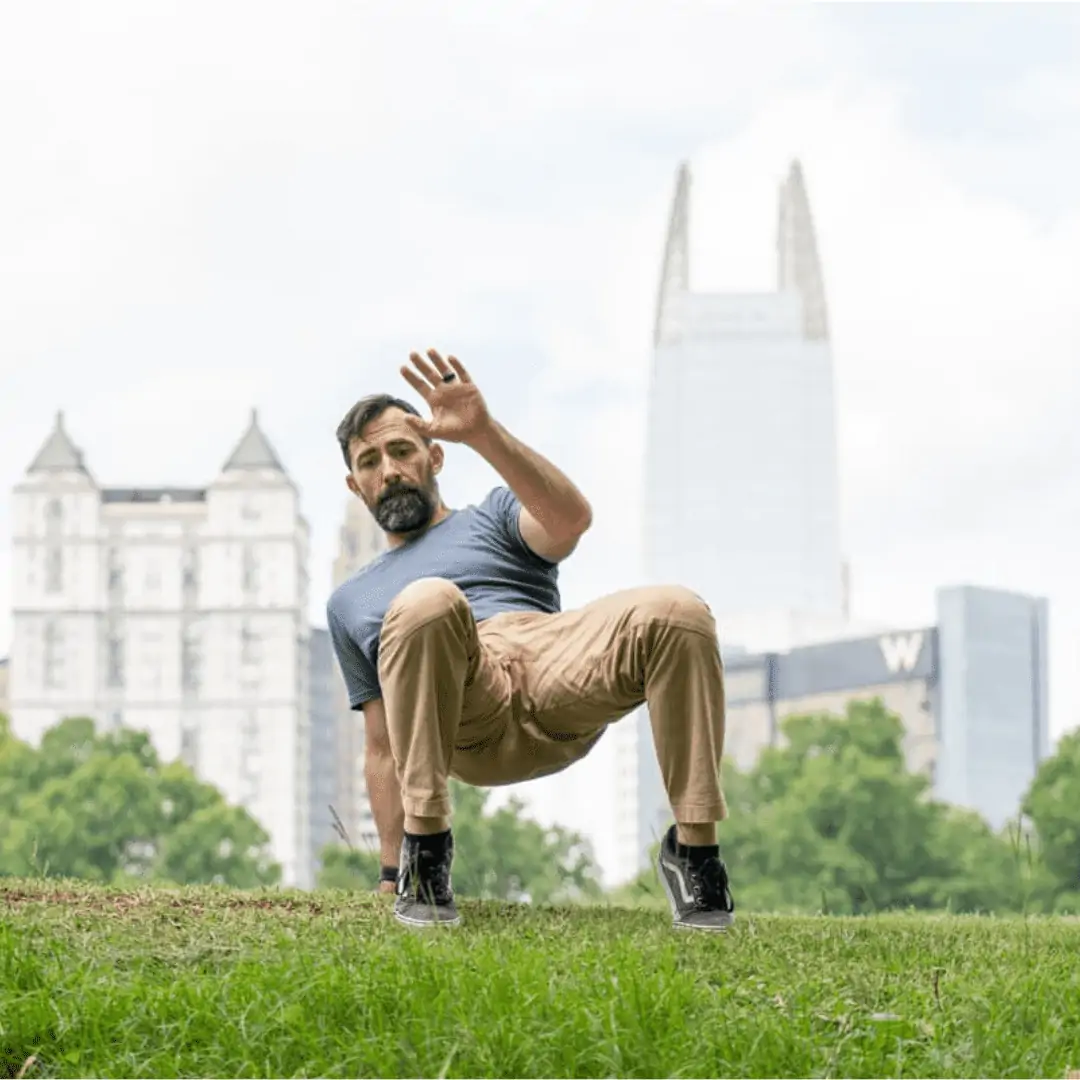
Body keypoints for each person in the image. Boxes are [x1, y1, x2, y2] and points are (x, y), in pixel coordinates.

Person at [326, 349, 735, 932]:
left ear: (434, 455)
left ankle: (695, 855)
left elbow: (569, 521)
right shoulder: (350, 603)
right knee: (428, 601)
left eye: (400, 450)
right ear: (355, 485)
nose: (388, 469)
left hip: (552, 665)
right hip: (465, 704)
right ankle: (426, 863)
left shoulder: (492, 516)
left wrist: (484, 432)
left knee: (678, 610)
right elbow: (381, 744)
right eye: (369, 461)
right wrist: (391, 871)